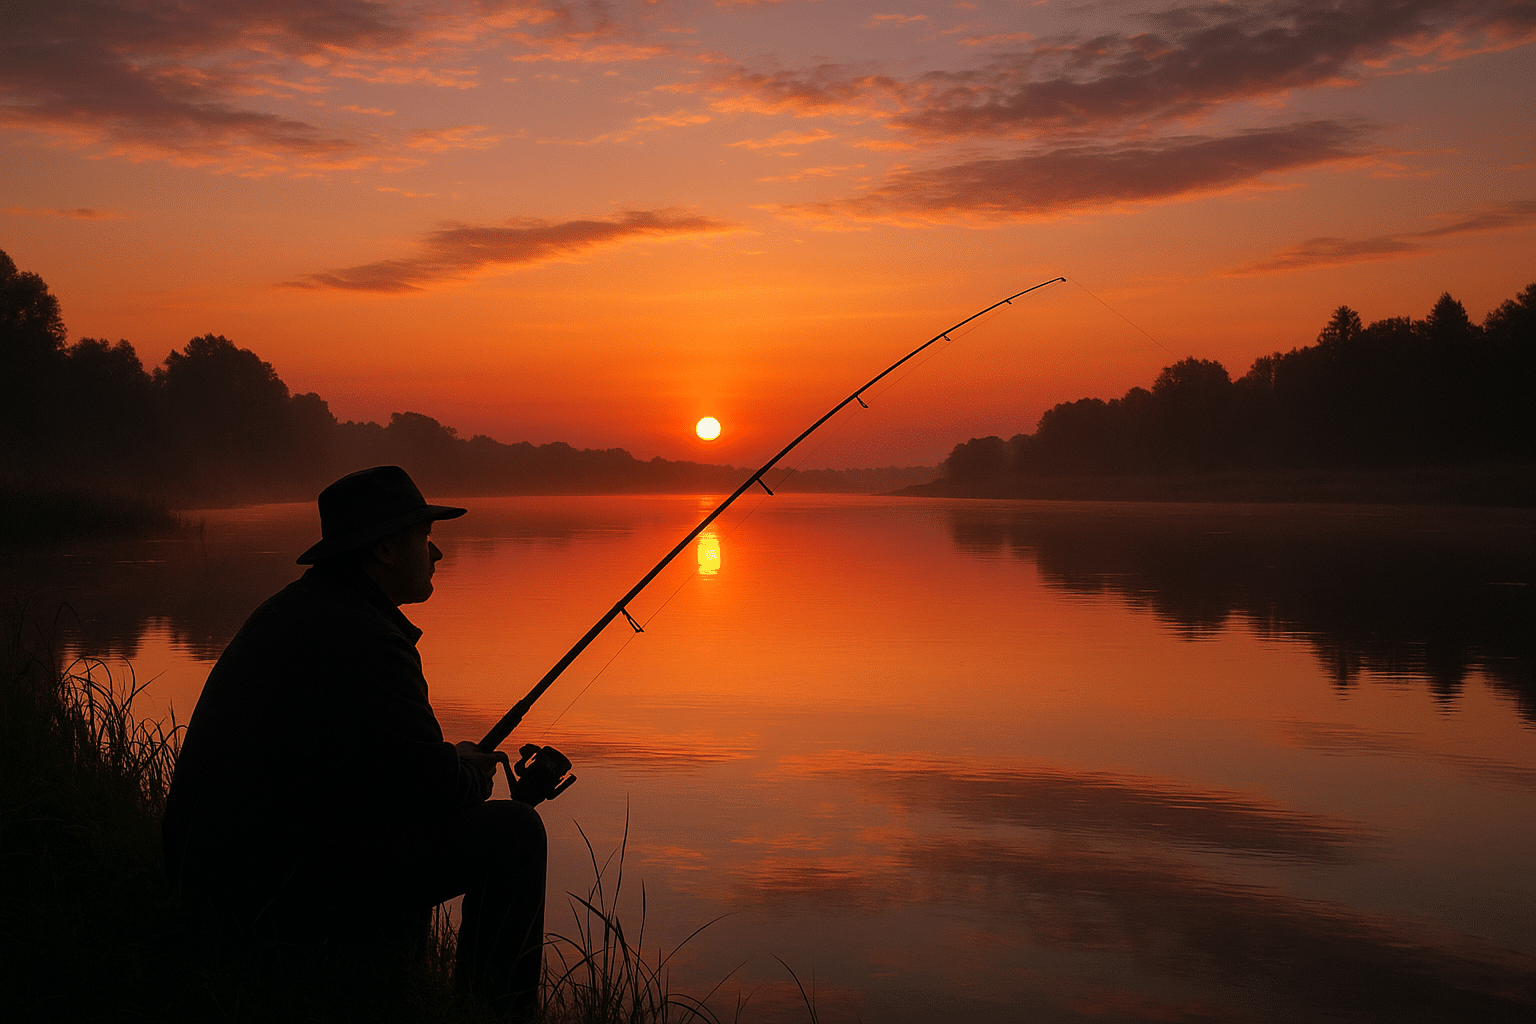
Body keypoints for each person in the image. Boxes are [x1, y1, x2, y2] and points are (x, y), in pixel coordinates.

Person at [163, 465, 547, 1016]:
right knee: (515, 833)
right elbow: (430, 790)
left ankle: (381, 978)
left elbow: (383, 764)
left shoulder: (307, 610)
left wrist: (451, 762)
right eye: (425, 538)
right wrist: (467, 773)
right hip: (256, 893)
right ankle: (496, 1013)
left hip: (219, 872)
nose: (437, 554)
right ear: (385, 551)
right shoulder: (366, 638)